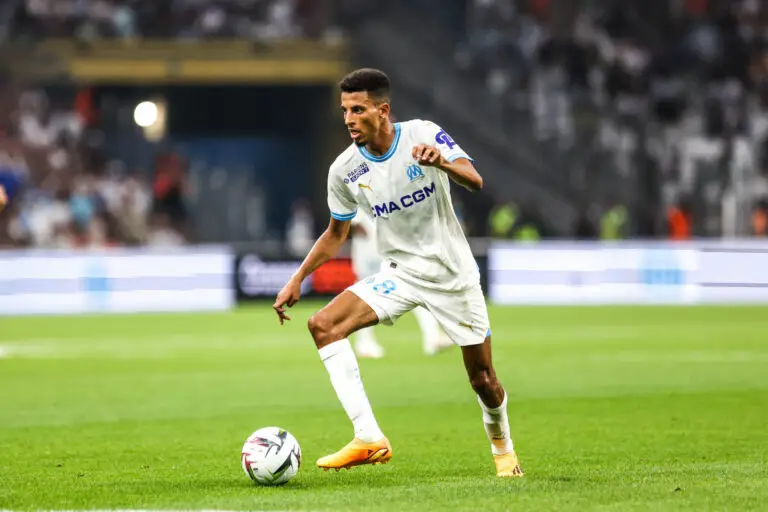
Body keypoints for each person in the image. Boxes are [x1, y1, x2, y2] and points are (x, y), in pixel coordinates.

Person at [273, 68, 522, 477]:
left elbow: (475, 181)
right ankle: (369, 437)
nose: (349, 119)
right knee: (323, 326)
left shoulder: (423, 134)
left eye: (358, 109)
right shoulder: (344, 169)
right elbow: (336, 233)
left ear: (383, 110)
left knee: (483, 380)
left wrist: (443, 164)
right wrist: (297, 278)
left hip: (452, 276)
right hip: (400, 273)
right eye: (344, 111)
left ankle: (504, 451)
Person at [350, 208, 454, 359]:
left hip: (385, 251)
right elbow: (354, 223)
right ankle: (364, 343)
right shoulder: (358, 196)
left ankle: (432, 337)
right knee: (365, 298)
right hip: (370, 255)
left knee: (413, 287)